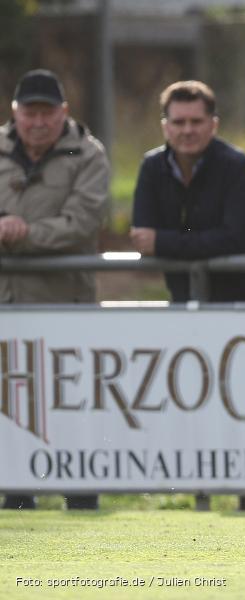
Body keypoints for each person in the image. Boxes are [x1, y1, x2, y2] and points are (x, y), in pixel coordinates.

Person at [130, 80, 245, 511]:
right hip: (186, 308)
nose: (187, 130)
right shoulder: (151, 167)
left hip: (243, 307)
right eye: (178, 122)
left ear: (213, 124)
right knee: (192, 404)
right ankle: (201, 498)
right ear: (165, 126)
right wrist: (187, 243)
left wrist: (166, 242)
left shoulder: (238, 166)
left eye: (196, 121)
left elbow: (236, 236)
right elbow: (140, 236)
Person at [0, 69, 109, 511]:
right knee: (10, 408)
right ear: (15, 113)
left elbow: (81, 223)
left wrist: (21, 234)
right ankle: (16, 493)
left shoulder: (89, 154)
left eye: (47, 112)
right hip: (8, 306)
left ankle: (81, 499)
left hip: (68, 307)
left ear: (64, 112)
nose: (39, 122)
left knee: (73, 407)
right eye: (30, 113)